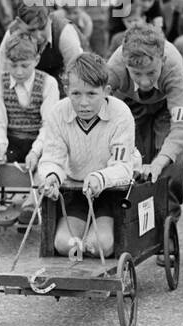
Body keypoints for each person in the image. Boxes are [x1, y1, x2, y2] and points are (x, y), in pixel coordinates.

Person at [36, 53, 139, 258]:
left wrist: (99, 177)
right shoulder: (58, 113)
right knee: (63, 245)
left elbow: (123, 167)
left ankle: (96, 238)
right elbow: (52, 158)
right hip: (78, 189)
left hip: (112, 191)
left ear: (106, 91)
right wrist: (52, 176)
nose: (83, 102)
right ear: (66, 91)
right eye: (76, 94)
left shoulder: (121, 114)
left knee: (99, 245)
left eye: (91, 94)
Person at [105, 23, 183, 226]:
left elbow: (182, 126)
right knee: (132, 158)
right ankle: (129, 217)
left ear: (162, 59)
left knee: (173, 161)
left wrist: (161, 160)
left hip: (166, 105)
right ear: (126, 65)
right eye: (136, 74)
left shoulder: (173, 68)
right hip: (129, 102)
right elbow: (99, 109)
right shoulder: (114, 68)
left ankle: (167, 220)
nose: (144, 82)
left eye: (151, 73)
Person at [0, 31, 59, 225]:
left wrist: (35, 151)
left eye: (24, 66)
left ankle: (31, 205)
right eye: (13, 65)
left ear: (36, 60)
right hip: (11, 142)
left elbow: (50, 126)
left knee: (51, 152)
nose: (18, 72)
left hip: (39, 143)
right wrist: (0, 146)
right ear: (6, 61)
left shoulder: (48, 84)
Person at [0, 3, 83, 94]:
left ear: (49, 19)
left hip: (63, 80)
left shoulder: (65, 34)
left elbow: (79, 76)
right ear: (19, 23)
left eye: (42, 28)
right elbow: (1, 76)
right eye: (31, 30)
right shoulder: (12, 34)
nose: (38, 36)